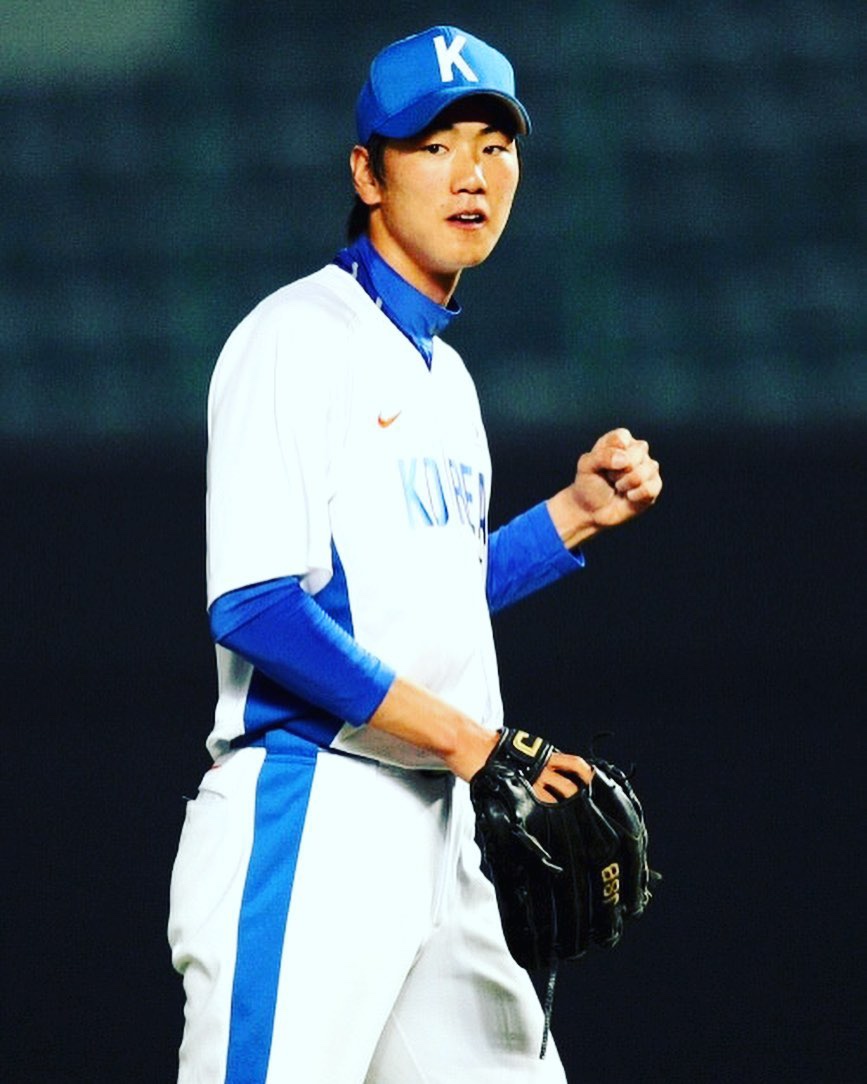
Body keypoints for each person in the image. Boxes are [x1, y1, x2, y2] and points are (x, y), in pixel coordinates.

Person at [168, 24, 662, 1084]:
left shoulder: (447, 379)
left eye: (495, 145)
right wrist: (473, 743)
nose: (471, 173)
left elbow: (427, 592)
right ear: (368, 173)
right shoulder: (296, 336)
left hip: (441, 825)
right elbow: (255, 607)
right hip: (313, 812)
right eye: (434, 145)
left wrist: (570, 517)